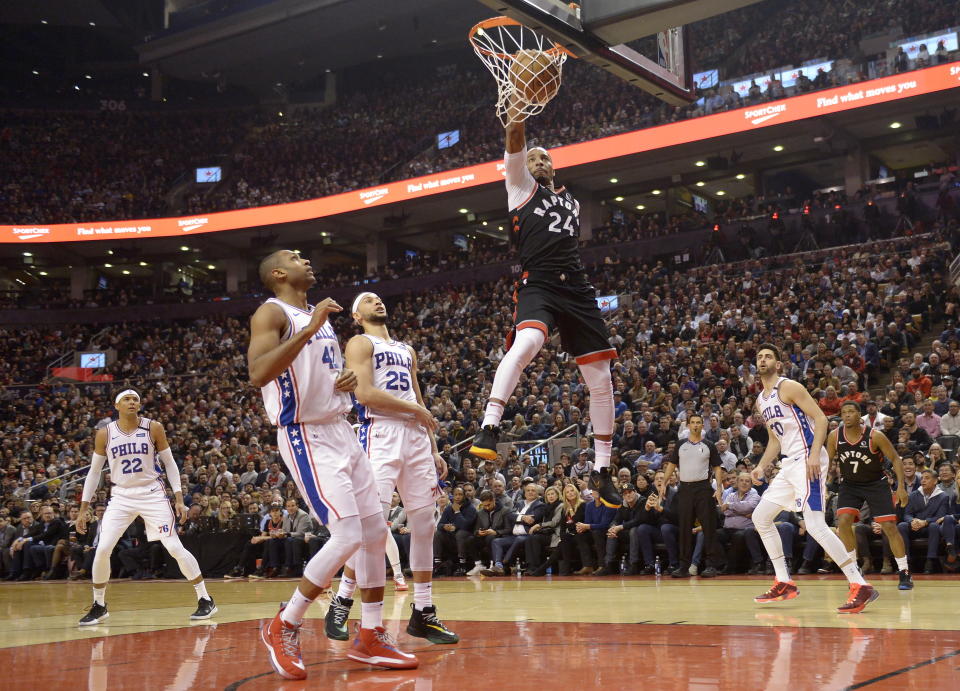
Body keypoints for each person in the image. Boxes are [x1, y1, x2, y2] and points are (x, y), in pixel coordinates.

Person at [248, 250, 417, 679]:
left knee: (377, 532)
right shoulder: (272, 312)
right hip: (306, 433)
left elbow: (313, 373)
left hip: (340, 428)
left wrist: (341, 379)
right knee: (346, 535)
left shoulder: (313, 317)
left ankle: (371, 635)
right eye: (296, 256)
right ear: (280, 273)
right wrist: (309, 329)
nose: (307, 259)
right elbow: (259, 372)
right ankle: (284, 623)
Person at [468, 97, 620, 510]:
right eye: (531, 157)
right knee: (528, 345)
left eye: (543, 158)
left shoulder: (570, 201)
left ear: (553, 169)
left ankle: (602, 470)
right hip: (539, 282)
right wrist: (517, 102)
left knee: (601, 378)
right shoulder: (519, 186)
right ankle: (489, 427)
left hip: (577, 289)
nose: (535, 160)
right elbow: (515, 138)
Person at [325, 292, 458, 645]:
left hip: (415, 436)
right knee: (373, 529)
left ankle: (424, 612)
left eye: (380, 299)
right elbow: (365, 394)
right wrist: (415, 412)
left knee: (425, 523)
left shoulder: (407, 349)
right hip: (380, 433)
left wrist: (433, 447)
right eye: (368, 301)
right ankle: (342, 600)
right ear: (357, 315)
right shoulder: (359, 342)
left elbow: (418, 398)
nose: (377, 302)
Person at [749, 345, 878, 613]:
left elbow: (821, 419)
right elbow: (775, 439)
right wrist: (762, 466)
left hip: (807, 458)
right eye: (760, 357)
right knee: (760, 517)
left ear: (778, 363)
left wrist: (813, 457)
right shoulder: (761, 400)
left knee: (815, 525)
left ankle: (859, 583)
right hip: (788, 463)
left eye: (768, 356)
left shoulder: (789, 387)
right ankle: (783, 581)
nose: (763, 360)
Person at [74, 390, 216, 625]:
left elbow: (170, 463)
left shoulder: (154, 428)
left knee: (173, 546)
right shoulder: (104, 434)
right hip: (120, 495)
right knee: (103, 549)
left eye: (135, 399)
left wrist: (179, 498)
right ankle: (99, 605)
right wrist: (82, 509)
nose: (132, 402)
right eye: (127, 399)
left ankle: (205, 599)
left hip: (152, 493)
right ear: (116, 405)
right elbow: (94, 472)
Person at [828, 401, 913, 590]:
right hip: (850, 485)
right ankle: (853, 570)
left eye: (851, 412)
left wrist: (901, 488)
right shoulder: (834, 436)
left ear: (860, 415)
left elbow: (896, 460)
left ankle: (904, 571)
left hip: (876, 483)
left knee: (889, 526)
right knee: (843, 522)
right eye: (844, 412)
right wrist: (822, 485)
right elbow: (826, 462)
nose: (847, 415)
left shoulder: (875, 435)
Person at [658, 413, 725, 578]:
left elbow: (717, 467)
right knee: (685, 527)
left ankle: (711, 565)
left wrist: (718, 487)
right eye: (693, 422)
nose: (695, 425)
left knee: (708, 528)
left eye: (698, 423)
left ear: (703, 425)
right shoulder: (681, 445)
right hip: (685, 489)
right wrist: (663, 484)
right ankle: (683, 566)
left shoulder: (709, 445)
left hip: (703, 488)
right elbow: (671, 465)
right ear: (688, 425)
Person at [898, 469, 952, 574]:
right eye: (922, 478)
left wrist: (925, 522)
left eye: (927, 478)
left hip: (929, 527)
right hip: (914, 526)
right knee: (902, 525)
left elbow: (941, 516)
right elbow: (907, 514)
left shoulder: (943, 496)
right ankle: (906, 562)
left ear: (935, 481)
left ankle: (930, 561)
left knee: (934, 526)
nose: (923, 480)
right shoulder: (913, 495)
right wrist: (912, 521)